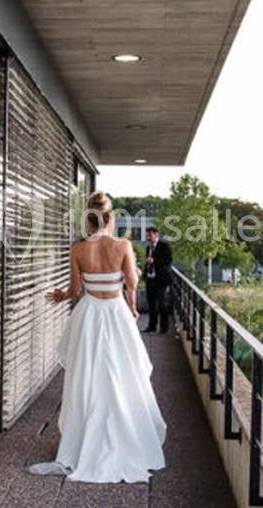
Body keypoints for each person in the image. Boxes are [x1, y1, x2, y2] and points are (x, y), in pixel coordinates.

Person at [32, 192, 166, 483]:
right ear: (110, 217)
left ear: (89, 217)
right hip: (116, 313)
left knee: (88, 376)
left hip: (90, 315)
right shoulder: (123, 245)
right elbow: (131, 284)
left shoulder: (78, 249)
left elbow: (74, 289)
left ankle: (82, 442)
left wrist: (59, 295)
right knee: (121, 374)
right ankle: (122, 434)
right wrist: (132, 302)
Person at [143, 225, 173, 333]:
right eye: (147, 236)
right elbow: (147, 262)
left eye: (150, 235)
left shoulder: (164, 246)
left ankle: (164, 328)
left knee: (162, 304)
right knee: (151, 304)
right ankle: (152, 326)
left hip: (160, 280)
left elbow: (168, 261)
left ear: (156, 235)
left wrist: (154, 261)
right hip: (150, 279)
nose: (148, 238)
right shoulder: (148, 248)